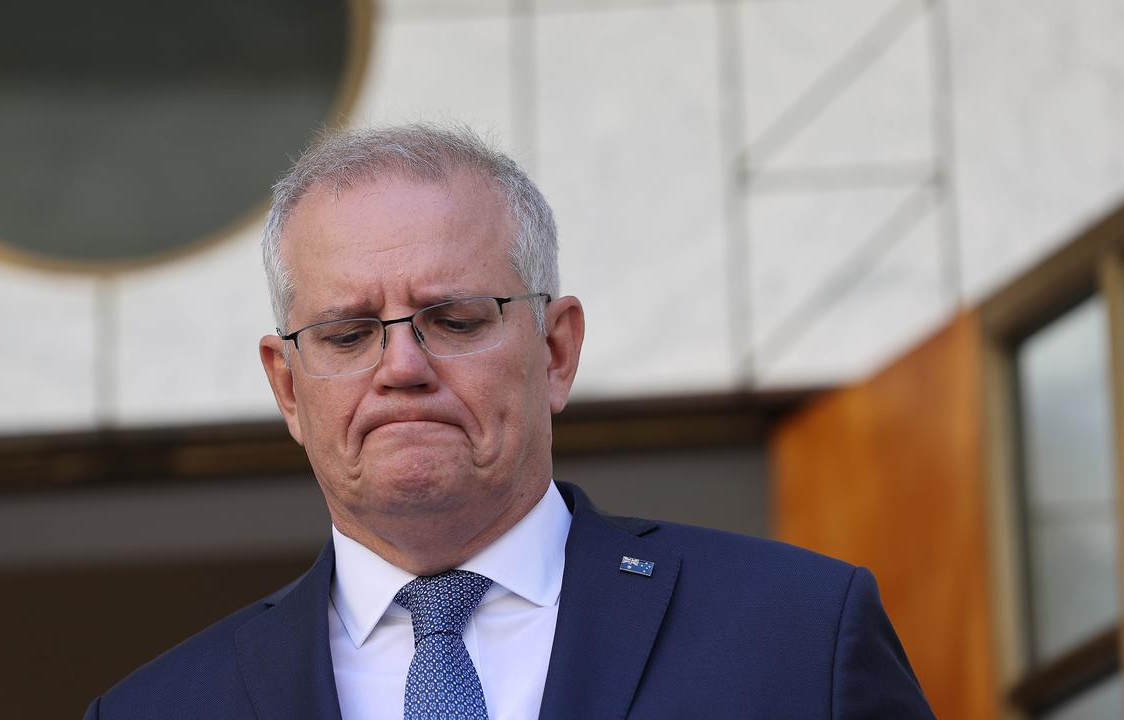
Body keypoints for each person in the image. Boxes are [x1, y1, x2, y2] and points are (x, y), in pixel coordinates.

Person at [85, 124, 935, 719]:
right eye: (347, 334)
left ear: (557, 351)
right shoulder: (154, 710)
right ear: (288, 389)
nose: (402, 368)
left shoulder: (798, 632)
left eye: (454, 320)